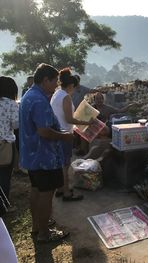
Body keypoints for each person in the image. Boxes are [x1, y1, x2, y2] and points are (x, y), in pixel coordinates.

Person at [19, 63, 72, 243]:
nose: (56, 85)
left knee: (36, 190)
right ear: (45, 80)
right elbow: (44, 131)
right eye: (54, 81)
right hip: (44, 157)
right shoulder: (39, 100)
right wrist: (65, 136)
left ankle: (37, 227)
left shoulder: (29, 95)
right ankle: (44, 234)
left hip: (32, 156)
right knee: (46, 194)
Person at [51, 68, 93, 201]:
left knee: (59, 163)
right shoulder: (66, 97)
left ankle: (60, 188)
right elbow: (69, 119)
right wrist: (86, 121)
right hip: (65, 134)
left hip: (57, 132)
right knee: (65, 164)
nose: (74, 91)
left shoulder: (56, 93)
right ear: (70, 86)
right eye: (75, 88)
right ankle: (67, 193)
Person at [0, 76, 19, 203]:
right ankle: (3, 205)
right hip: (5, 145)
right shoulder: (12, 104)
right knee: (4, 176)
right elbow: (16, 125)